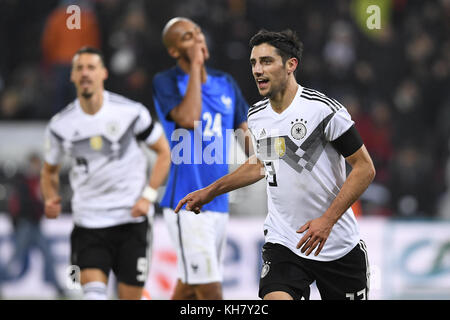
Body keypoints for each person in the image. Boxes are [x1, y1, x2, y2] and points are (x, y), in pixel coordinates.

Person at [175, 29, 376, 300]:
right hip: (284, 243)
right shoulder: (257, 117)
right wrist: (209, 191)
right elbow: (263, 163)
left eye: (266, 61)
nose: (257, 70)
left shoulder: (323, 111)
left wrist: (326, 221)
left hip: (338, 246)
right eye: (254, 63)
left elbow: (364, 167)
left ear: (291, 65)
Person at [40, 47, 171, 300]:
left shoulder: (131, 113)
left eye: (91, 67)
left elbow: (164, 153)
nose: (85, 73)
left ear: (103, 73)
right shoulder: (60, 125)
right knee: (92, 296)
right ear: (72, 77)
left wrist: (148, 196)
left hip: (131, 222)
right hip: (89, 223)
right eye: (80, 68)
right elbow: (49, 171)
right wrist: (49, 197)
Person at [152, 17, 250, 300]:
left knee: (190, 287)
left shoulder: (226, 82)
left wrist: (265, 161)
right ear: (173, 51)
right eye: (186, 37)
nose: (197, 39)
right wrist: (196, 66)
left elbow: (245, 135)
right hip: (187, 203)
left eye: (197, 33)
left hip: (218, 202)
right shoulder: (166, 81)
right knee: (210, 290)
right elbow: (190, 117)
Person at [0, 153, 65, 298]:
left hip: (35, 225)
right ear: (30, 164)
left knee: (48, 255)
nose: (36, 167)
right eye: (35, 164)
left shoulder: (40, 181)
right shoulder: (22, 181)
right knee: (16, 258)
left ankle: (57, 287)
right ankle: (2, 282)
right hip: (25, 225)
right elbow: (22, 205)